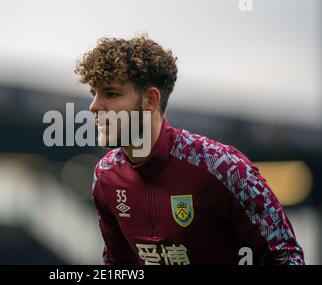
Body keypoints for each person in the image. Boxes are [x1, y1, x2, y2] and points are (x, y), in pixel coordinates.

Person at [74, 34, 304, 265]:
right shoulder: (105, 176)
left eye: (111, 94)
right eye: (94, 94)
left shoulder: (222, 166)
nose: (94, 106)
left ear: (150, 100)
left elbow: (285, 256)